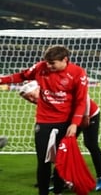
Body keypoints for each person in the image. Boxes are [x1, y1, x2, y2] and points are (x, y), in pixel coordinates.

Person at [0, 45, 88, 195]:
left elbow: (80, 101)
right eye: (47, 62)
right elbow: (22, 76)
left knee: (61, 160)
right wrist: (2, 80)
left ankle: (58, 191)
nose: (48, 65)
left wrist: (74, 124)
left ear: (64, 60)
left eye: (52, 63)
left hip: (65, 122)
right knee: (43, 161)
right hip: (44, 121)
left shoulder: (78, 73)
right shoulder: (41, 67)